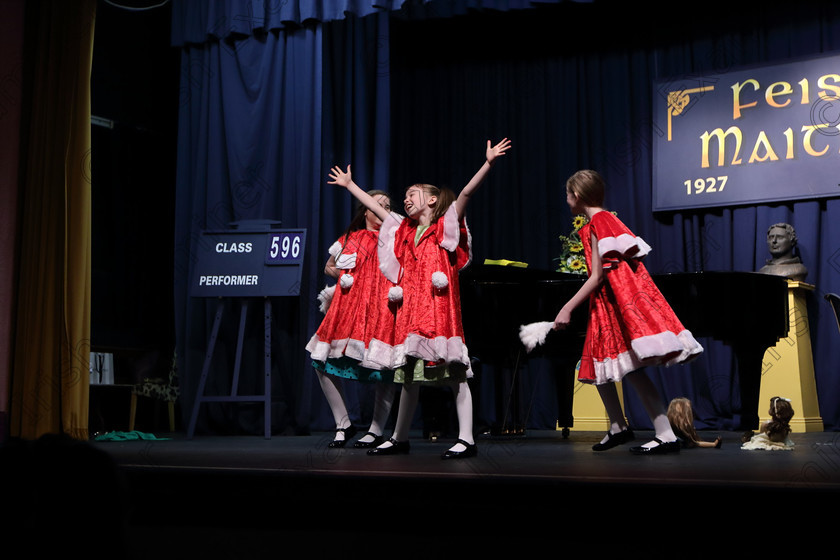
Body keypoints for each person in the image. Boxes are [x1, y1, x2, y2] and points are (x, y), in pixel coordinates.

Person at [328, 138, 512, 459]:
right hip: (412, 314)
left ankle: (466, 438)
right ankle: (399, 437)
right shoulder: (403, 230)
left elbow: (466, 193)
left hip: (440, 313)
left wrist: (488, 162)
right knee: (408, 376)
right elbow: (375, 208)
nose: (406, 199)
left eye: (412, 194)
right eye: (405, 196)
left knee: (455, 374)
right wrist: (350, 185)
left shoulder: (445, 226)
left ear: (431, 199)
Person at [554, 170, 704, 454]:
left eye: (567, 194)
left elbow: (598, 276)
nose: (566, 199)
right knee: (599, 366)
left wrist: (567, 307)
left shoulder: (599, 221)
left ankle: (665, 434)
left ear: (577, 196)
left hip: (614, 307)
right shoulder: (597, 222)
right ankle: (618, 427)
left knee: (633, 369)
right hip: (605, 307)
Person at [305, 190, 399, 448]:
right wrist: (347, 277)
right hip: (350, 309)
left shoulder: (393, 238)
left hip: (381, 308)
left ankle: (376, 430)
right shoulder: (352, 238)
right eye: (378, 204)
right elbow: (329, 265)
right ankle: (343, 423)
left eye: (388, 205)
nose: (384, 208)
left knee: (385, 369)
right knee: (320, 362)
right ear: (365, 210)